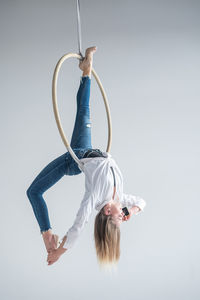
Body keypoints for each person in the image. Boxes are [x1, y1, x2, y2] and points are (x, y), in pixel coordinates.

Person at [26, 46, 146, 267]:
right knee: (84, 109)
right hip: (88, 151)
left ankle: (47, 234)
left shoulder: (95, 197)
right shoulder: (119, 198)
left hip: (76, 159)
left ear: (108, 211)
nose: (124, 217)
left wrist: (59, 252)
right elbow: (142, 202)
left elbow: (78, 227)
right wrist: (131, 210)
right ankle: (85, 69)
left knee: (33, 191)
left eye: (119, 218)